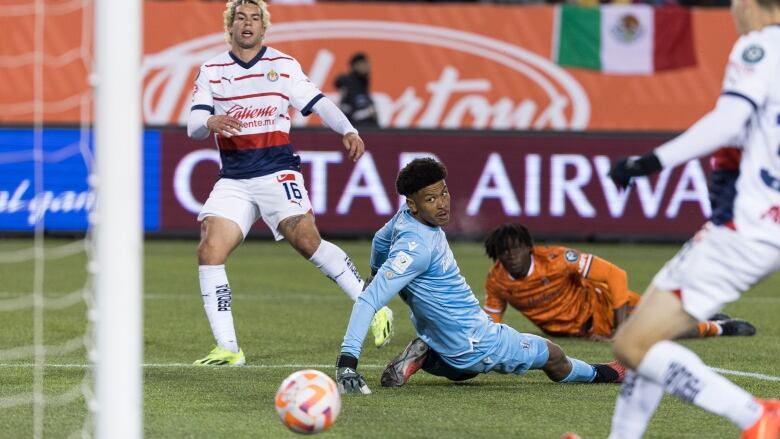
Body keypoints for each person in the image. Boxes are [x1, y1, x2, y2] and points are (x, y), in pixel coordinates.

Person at [598, 0, 780, 435]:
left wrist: (648, 162)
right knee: (649, 337)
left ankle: (755, 416)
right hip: (766, 226)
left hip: (744, 228)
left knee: (631, 343)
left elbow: (728, 119)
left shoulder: (758, 47)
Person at [186, 0, 393, 366]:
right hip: (234, 177)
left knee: (307, 241)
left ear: (263, 28)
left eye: (254, 18)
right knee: (209, 250)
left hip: (276, 170)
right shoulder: (212, 70)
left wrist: (348, 129)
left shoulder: (281, 66)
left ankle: (374, 307)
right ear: (230, 26)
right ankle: (229, 348)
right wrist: (210, 123)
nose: (247, 24)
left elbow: (319, 102)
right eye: (240, 18)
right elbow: (193, 126)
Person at [334, 158, 625, 395]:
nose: (442, 204)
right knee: (552, 354)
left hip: (442, 333)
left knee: (462, 371)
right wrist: (347, 363)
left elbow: (379, 240)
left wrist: (374, 271)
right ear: (413, 204)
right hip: (479, 342)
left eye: (444, 192)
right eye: (431, 199)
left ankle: (428, 351)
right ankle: (608, 373)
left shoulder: (404, 217)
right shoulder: (418, 248)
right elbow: (367, 301)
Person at [482, 223, 756, 341]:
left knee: (657, 330)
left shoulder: (557, 259)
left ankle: (718, 328)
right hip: (575, 332)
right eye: (504, 252)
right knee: (660, 320)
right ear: (497, 256)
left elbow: (615, 275)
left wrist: (622, 327)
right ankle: (706, 317)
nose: (511, 256)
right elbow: (491, 323)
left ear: (529, 248)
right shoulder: (497, 282)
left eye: (516, 248)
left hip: (603, 307)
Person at [333, 52, 379, 127]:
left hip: (369, 130)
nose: (367, 66)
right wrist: (368, 112)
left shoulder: (363, 84)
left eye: (367, 63)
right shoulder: (349, 84)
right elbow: (348, 112)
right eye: (363, 63)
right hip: (356, 130)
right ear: (355, 65)